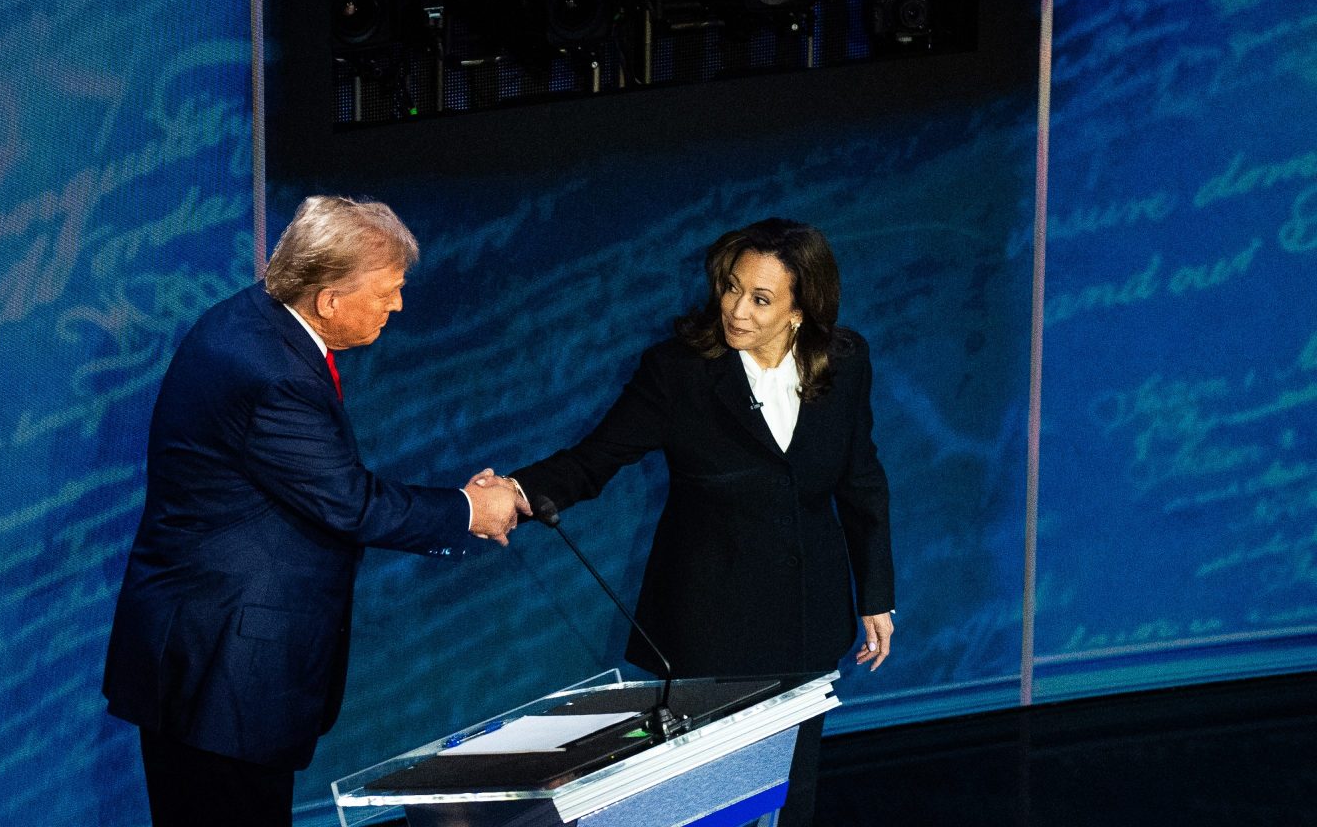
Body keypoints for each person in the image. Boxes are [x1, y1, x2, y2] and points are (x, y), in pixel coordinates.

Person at [102, 196, 528, 827]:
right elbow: (349, 502)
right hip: (220, 676)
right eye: (388, 292)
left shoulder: (261, 323)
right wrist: (472, 509)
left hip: (213, 665)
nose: (398, 306)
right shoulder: (271, 371)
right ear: (329, 299)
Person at [509, 218, 894, 827]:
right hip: (710, 626)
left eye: (761, 299)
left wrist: (876, 596)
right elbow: (593, 459)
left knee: (791, 798)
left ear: (801, 311)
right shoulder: (679, 371)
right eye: (731, 288)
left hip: (806, 618)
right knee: (712, 805)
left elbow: (861, 478)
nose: (736, 310)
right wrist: (515, 493)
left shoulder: (845, 361)